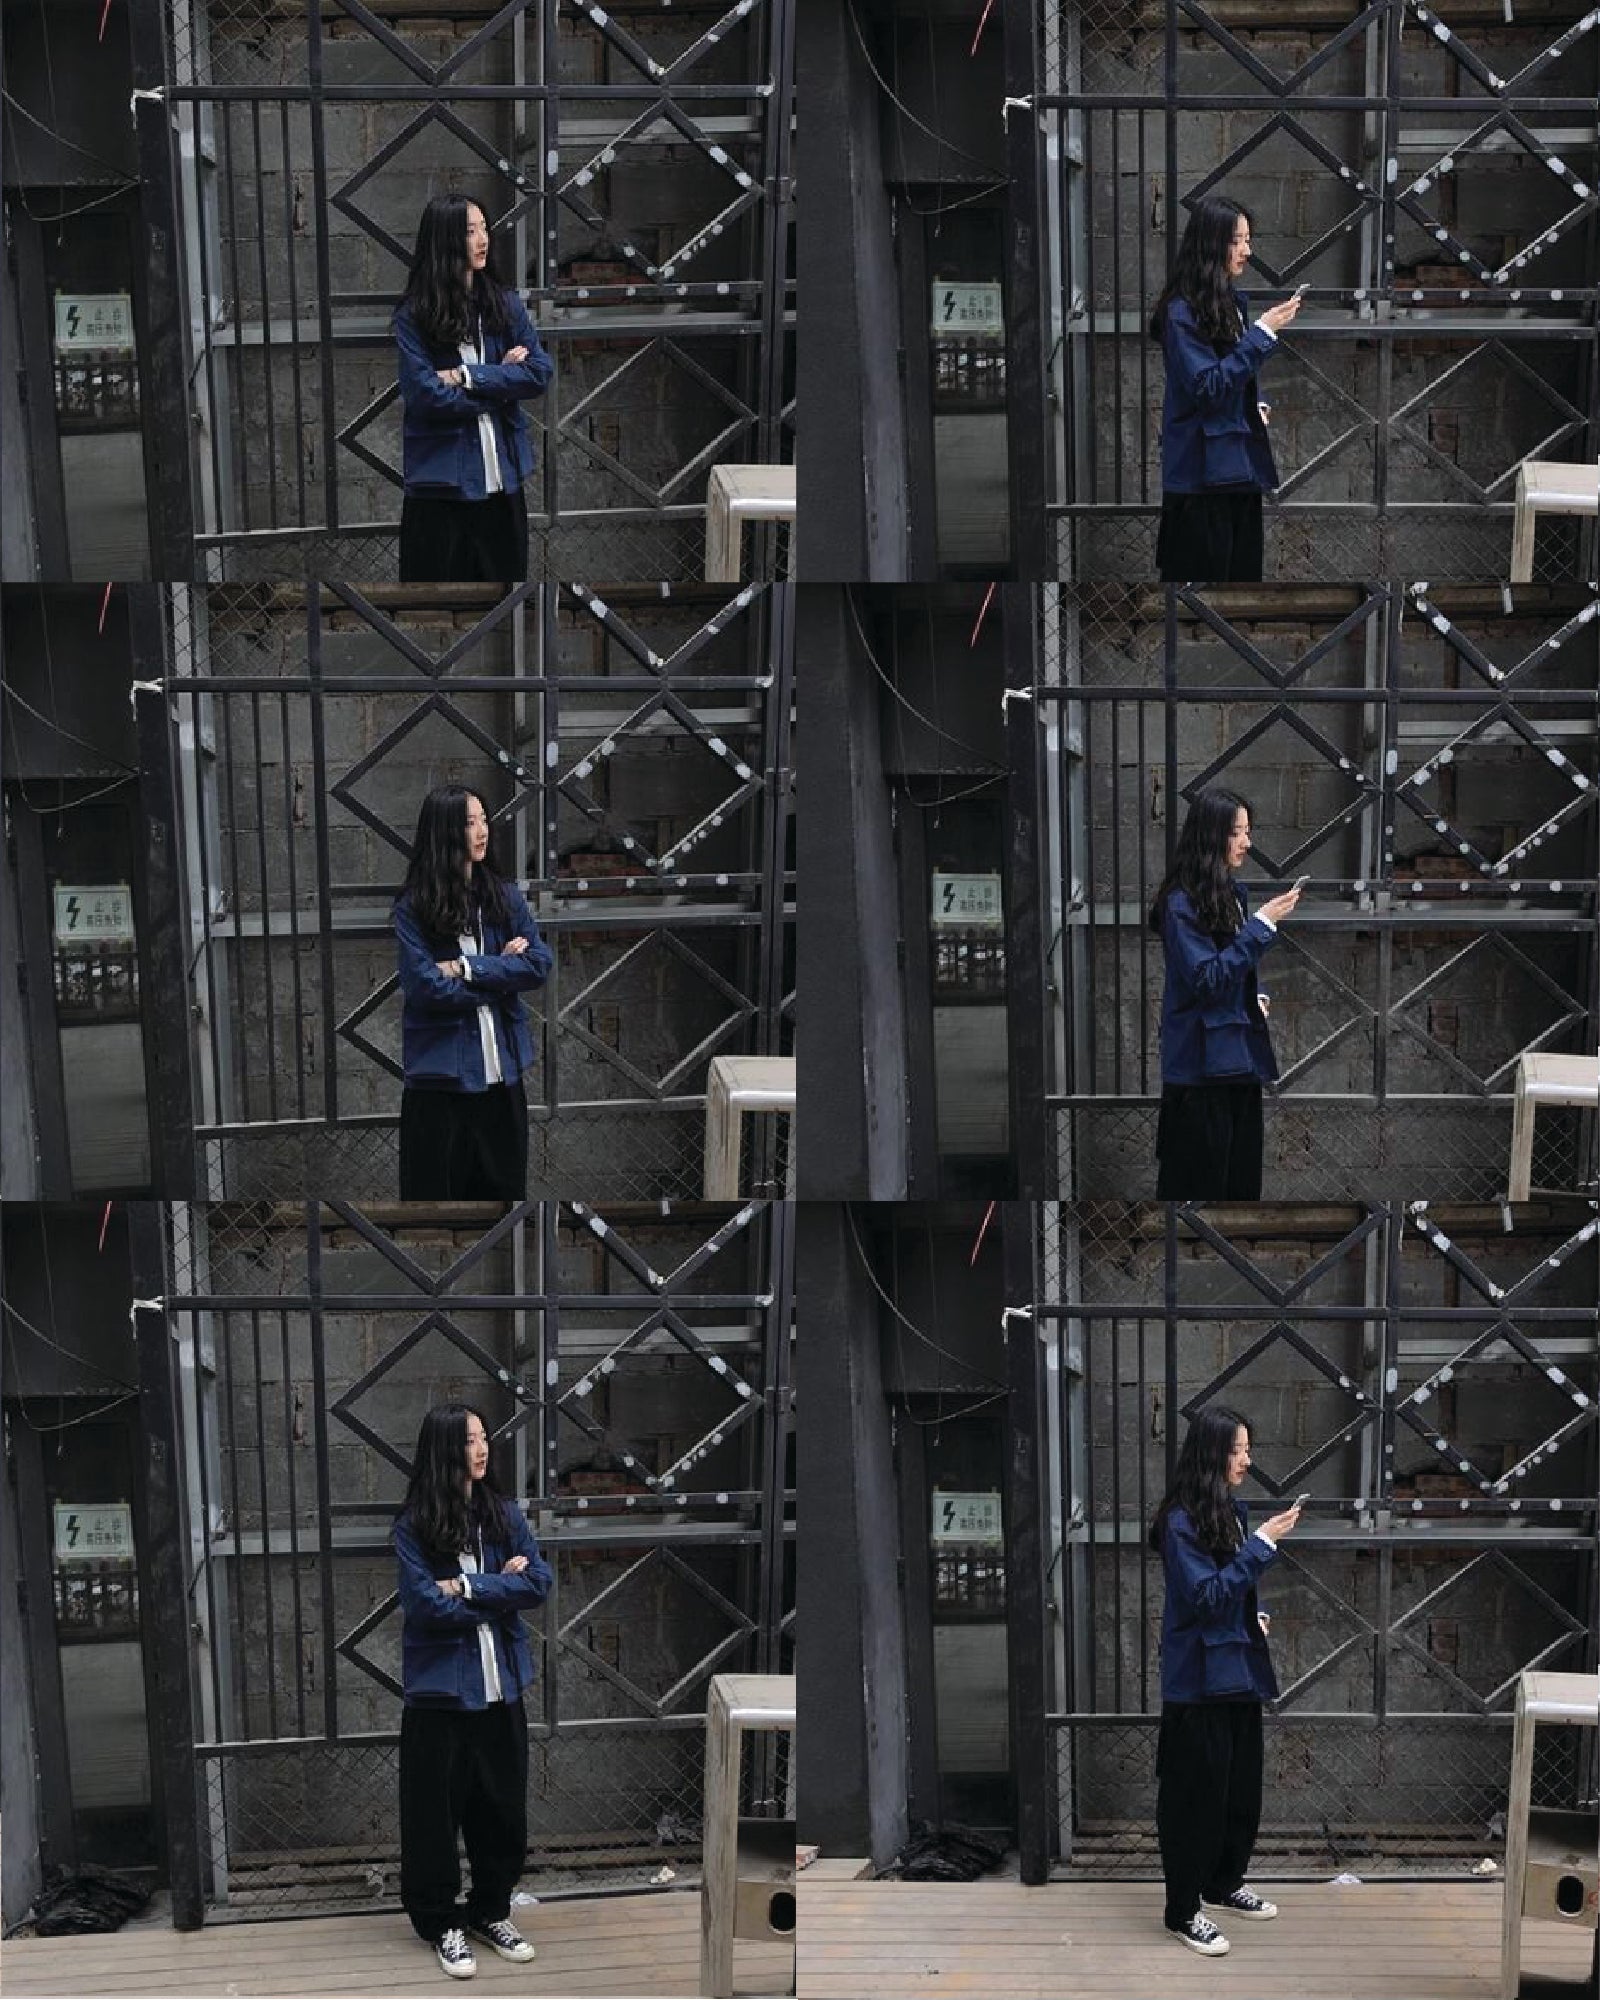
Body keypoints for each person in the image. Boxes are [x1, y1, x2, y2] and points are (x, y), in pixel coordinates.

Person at [394, 1402, 554, 1981]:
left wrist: (468, 1584)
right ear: (444, 1450)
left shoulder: (503, 1514)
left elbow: (537, 1582)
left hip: (501, 1692)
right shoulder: (413, 1526)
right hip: (439, 1699)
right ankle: (441, 1924)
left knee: (502, 1812)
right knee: (434, 1818)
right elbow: (423, 1605)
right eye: (469, 1440)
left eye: (484, 1437)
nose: (482, 1449)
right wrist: (498, 1590)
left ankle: (491, 1911)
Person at [1148, 1405, 1302, 1957]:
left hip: (1238, 1671)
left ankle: (1221, 1882)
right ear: (1212, 1454)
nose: (1247, 1459)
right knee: (1195, 1798)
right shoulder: (1180, 1521)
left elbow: (1225, 1598)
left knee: (1240, 1790)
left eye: (1247, 1448)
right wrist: (1261, 1545)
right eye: (1237, 1449)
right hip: (1196, 1683)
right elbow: (1205, 1596)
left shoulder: (1230, 1512)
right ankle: (1182, 1909)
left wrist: (1250, 1617)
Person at [392, 785, 553, 1201]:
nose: (482, 831)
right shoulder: (414, 907)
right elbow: (425, 988)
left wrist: (468, 968)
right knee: (433, 1205)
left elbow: (538, 964)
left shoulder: (504, 898)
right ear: (443, 832)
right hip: (439, 1084)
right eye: (469, 822)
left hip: (503, 1079)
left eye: (484, 820)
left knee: (505, 1200)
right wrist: (501, 976)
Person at [1149, 786, 1301, 1200]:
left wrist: (1256, 994)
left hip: (1237, 1057)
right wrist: (1262, 926)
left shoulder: (1232, 894)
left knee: (1241, 1181)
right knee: (1197, 1186)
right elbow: (1207, 978)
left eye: (1248, 831)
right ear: (1212, 835)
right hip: (1199, 1068)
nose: (1247, 843)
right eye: (1238, 832)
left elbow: (1233, 968)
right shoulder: (1179, 903)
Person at [393, 194, 554, 584]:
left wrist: (467, 376)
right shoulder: (414, 315)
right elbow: (426, 395)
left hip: (503, 484)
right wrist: (501, 381)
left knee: (506, 597)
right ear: (445, 240)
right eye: (469, 231)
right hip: (440, 488)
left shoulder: (505, 305)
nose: (483, 239)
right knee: (432, 599)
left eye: (485, 228)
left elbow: (539, 373)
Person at [1150, 195, 1302, 583]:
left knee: (1243, 579)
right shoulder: (1181, 311)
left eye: (1248, 240)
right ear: (1212, 242)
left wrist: (1257, 401)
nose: (1247, 251)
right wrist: (1263, 334)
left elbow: (1234, 373)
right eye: (1239, 241)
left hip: (1237, 467)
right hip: (1200, 477)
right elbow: (1208, 386)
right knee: (1198, 588)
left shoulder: (1231, 302)